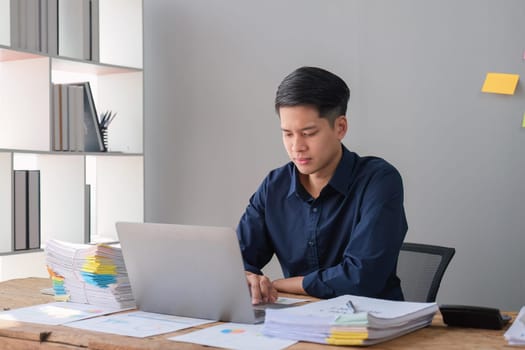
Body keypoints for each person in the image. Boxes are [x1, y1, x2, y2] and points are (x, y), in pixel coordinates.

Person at [236, 66, 407, 305]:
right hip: (299, 321)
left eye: (308, 133)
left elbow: (361, 277)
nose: (297, 147)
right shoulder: (274, 186)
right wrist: (246, 277)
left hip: (372, 325)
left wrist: (281, 285)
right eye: (287, 134)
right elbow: (236, 261)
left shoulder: (378, 181)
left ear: (340, 128)